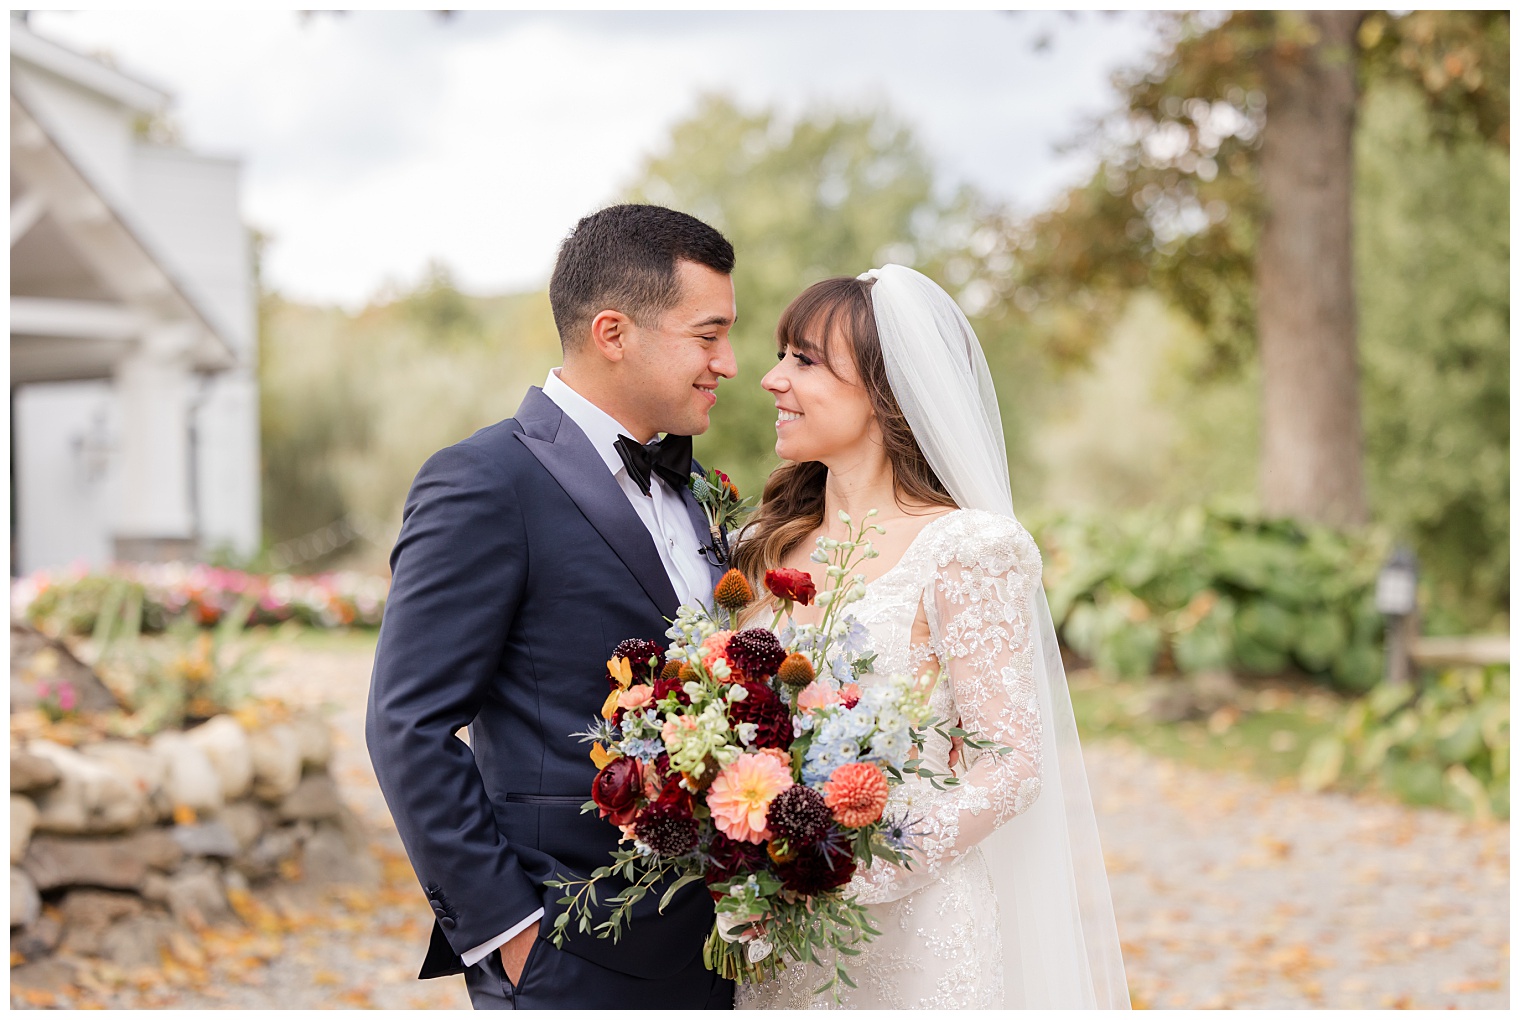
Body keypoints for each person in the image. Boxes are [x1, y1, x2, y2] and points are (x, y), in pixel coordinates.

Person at [366, 204, 741, 1009]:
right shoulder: (482, 480)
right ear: (614, 332)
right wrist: (509, 935)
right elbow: (409, 725)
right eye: (708, 336)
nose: (731, 362)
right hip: (572, 952)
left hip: (716, 950)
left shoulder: (699, 488)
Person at [731, 265, 1130, 1009]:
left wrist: (848, 868)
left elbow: (1010, 764)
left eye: (803, 359)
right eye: (781, 355)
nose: (769, 379)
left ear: (885, 392)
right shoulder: (766, 546)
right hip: (780, 939)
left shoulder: (968, 549)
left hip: (915, 933)